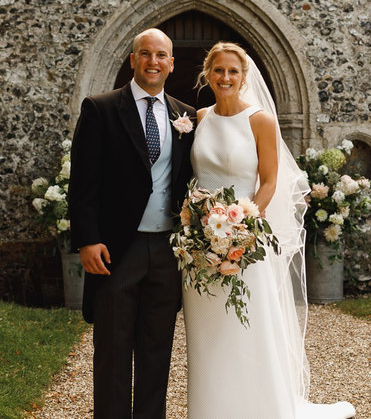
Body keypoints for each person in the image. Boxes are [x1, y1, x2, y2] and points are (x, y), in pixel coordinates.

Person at [183, 42, 356, 419]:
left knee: (248, 325)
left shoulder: (260, 120)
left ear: (244, 77)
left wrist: (240, 226)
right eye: (218, 70)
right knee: (208, 331)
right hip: (200, 245)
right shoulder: (200, 117)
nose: (225, 77)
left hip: (243, 239)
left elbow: (269, 181)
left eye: (232, 71)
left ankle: (261, 407)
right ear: (207, 74)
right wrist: (200, 227)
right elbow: (196, 178)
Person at [68, 28, 197, 419]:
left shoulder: (185, 115)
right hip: (115, 249)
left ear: (171, 64)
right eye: (145, 54)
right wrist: (88, 239)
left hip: (166, 250)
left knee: (157, 350)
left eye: (161, 55)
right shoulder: (101, 108)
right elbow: (83, 180)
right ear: (133, 60)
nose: (153, 62)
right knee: (112, 349)